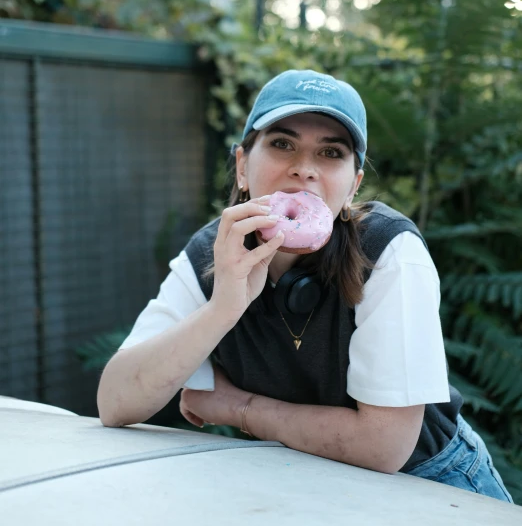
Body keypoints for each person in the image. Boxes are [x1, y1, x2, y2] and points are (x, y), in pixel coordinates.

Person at [97, 69, 513, 503]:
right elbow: (115, 402)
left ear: (353, 186)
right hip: (296, 481)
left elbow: (385, 445)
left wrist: (236, 408)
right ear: (242, 166)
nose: (304, 170)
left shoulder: (389, 251)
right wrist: (223, 307)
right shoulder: (210, 253)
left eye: (331, 152)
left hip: (433, 485)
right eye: (282, 144)